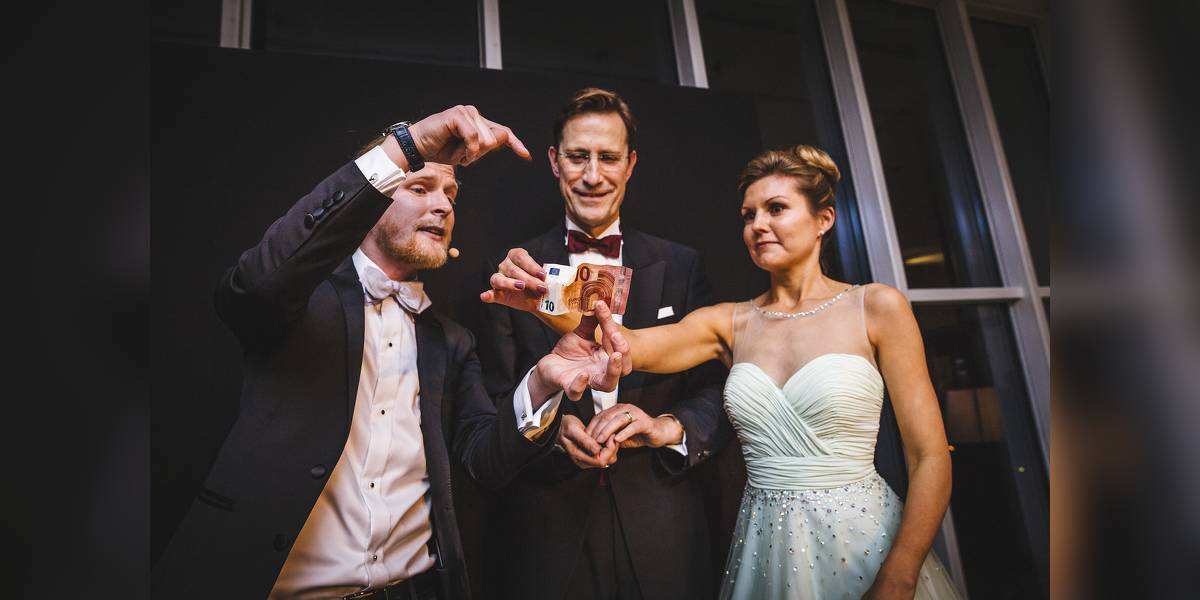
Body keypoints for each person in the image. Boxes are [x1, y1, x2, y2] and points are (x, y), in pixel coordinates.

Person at [152, 105, 631, 600]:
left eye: (450, 194)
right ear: (371, 201)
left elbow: (484, 460)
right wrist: (408, 146)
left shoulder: (452, 340)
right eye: (420, 188)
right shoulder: (297, 299)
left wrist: (543, 382)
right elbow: (251, 287)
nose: (443, 206)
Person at [485, 145, 963, 599]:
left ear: (824, 219)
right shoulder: (729, 323)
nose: (758, 225)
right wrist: (539, 300)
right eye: (748, 215)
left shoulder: (877, 307)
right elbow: (628, 341)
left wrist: (901, 572)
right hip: (768, 545)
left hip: (866, 540)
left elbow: (929, 457)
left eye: (776, 209)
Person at [475, 88, 731, 599]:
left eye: (608, 158)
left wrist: (666, 426)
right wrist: (551, 429)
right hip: (548, 534)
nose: (593, 175)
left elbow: (719, 391)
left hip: (663, 526)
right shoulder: (514, 272)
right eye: (578, 156)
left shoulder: (682, 266)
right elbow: (495, 402)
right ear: (554, 161)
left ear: (630, 164)